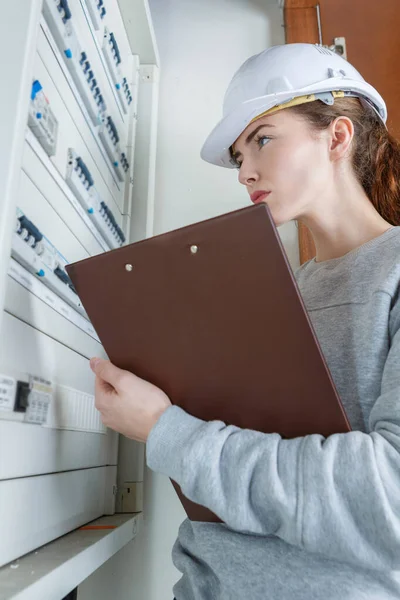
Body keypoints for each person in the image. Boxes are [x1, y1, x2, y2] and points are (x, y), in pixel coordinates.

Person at [89, 43, 400, 599]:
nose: (245, 171)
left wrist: (166, 431)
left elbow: (389, 501)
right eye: (238, 156)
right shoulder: (280, 289)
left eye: (262, 139)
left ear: (336, 137)